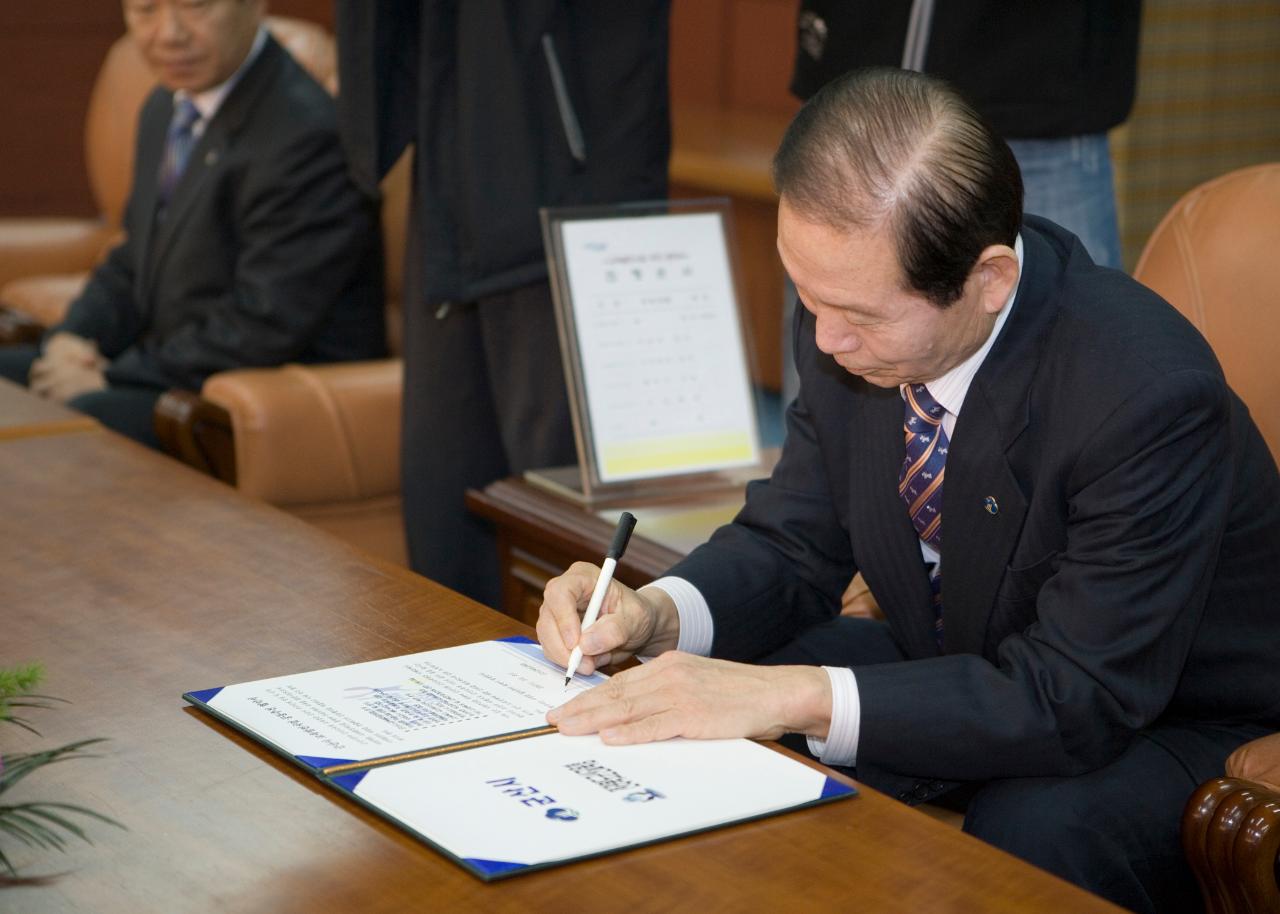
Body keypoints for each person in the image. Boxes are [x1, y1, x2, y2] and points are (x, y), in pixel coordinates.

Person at [537, 68, 1280, 914]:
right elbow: (795, 538)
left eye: (857, 314)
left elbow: (1079, 695)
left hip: (1174, 709)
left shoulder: (1142, 393)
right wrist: (655, 613)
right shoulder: (848, 309)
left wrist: (790, 695)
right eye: (807, 295)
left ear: (990, 280)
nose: (824, 337)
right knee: (723, 701)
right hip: (970, 647)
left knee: (1032, 826)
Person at [335, 1, 671, 608]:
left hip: (569, 184)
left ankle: (593, 688)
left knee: (571, 517)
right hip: (451, 169)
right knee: (444, 499)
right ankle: (454, 688)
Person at [0, 0, 385, 447]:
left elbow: (263, 322)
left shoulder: (308, 134)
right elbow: (132, 259)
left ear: (255, 5)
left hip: (259, 402)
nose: (169, 34)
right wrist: (72, 339)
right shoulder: (165, 106)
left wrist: (114, 376)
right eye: (145, 10)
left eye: (196, 5)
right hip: (179, 367)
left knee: (83, 425)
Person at [780, 1, 1141, 408]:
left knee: (1076, 383)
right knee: (845, 311)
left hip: (1041, 97)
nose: (824, 339)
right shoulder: (830, 321)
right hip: (852, 89)